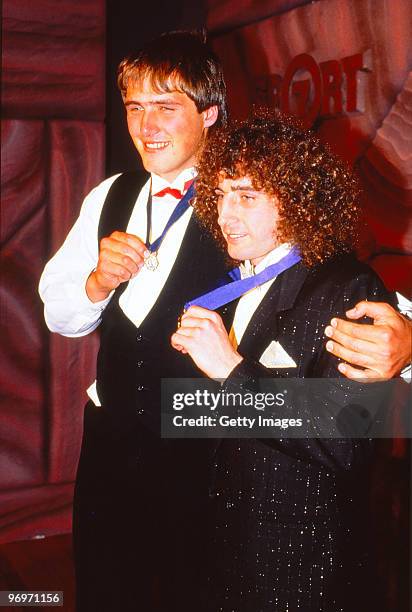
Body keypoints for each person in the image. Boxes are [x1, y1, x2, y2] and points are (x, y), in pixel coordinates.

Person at [38, 31, 411, 612]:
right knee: (106, 589)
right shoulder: (109, 195)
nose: (145, 125)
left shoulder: (263, 197)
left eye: (166, 106)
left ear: (210, 113)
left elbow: (343, 287)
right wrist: (95, 284)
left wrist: (408, 342)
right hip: (110, 443)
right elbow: (59, 314)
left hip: (206, 453)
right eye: (134, 107)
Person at [171, 111, 406, 611]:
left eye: (247, 196)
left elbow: (344, 440)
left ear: (298, 201)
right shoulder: (239, 280)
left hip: (299, 567)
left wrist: (231, 372)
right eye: (221, 194)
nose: (227, 213)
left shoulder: (346, 286)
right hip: (223, 552)